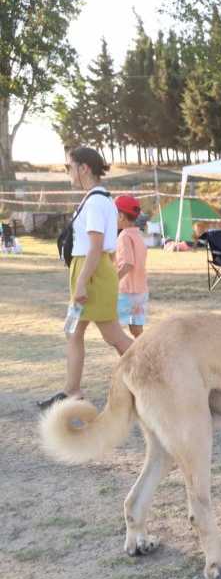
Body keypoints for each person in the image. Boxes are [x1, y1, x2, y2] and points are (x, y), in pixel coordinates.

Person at [38, 147, 133, 410]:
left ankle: (155, 375)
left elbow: (95, 246)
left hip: (91, 274)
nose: (67, 171)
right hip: (91, 271)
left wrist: (81, 282)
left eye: (70, 166)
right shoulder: (97, 199)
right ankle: (72, 390)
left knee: (113, 335)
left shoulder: (95, 201)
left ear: (84, 168)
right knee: (75, 330)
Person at [114, 195, 149, 339]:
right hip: (141, 290)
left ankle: (126, 354)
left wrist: (112, 280)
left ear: (121, 216)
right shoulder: (138, 234)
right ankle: (142, 355)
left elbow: (128, 264)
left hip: (127, 291)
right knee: (137, 330)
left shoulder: (124, 236)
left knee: (111, 325)